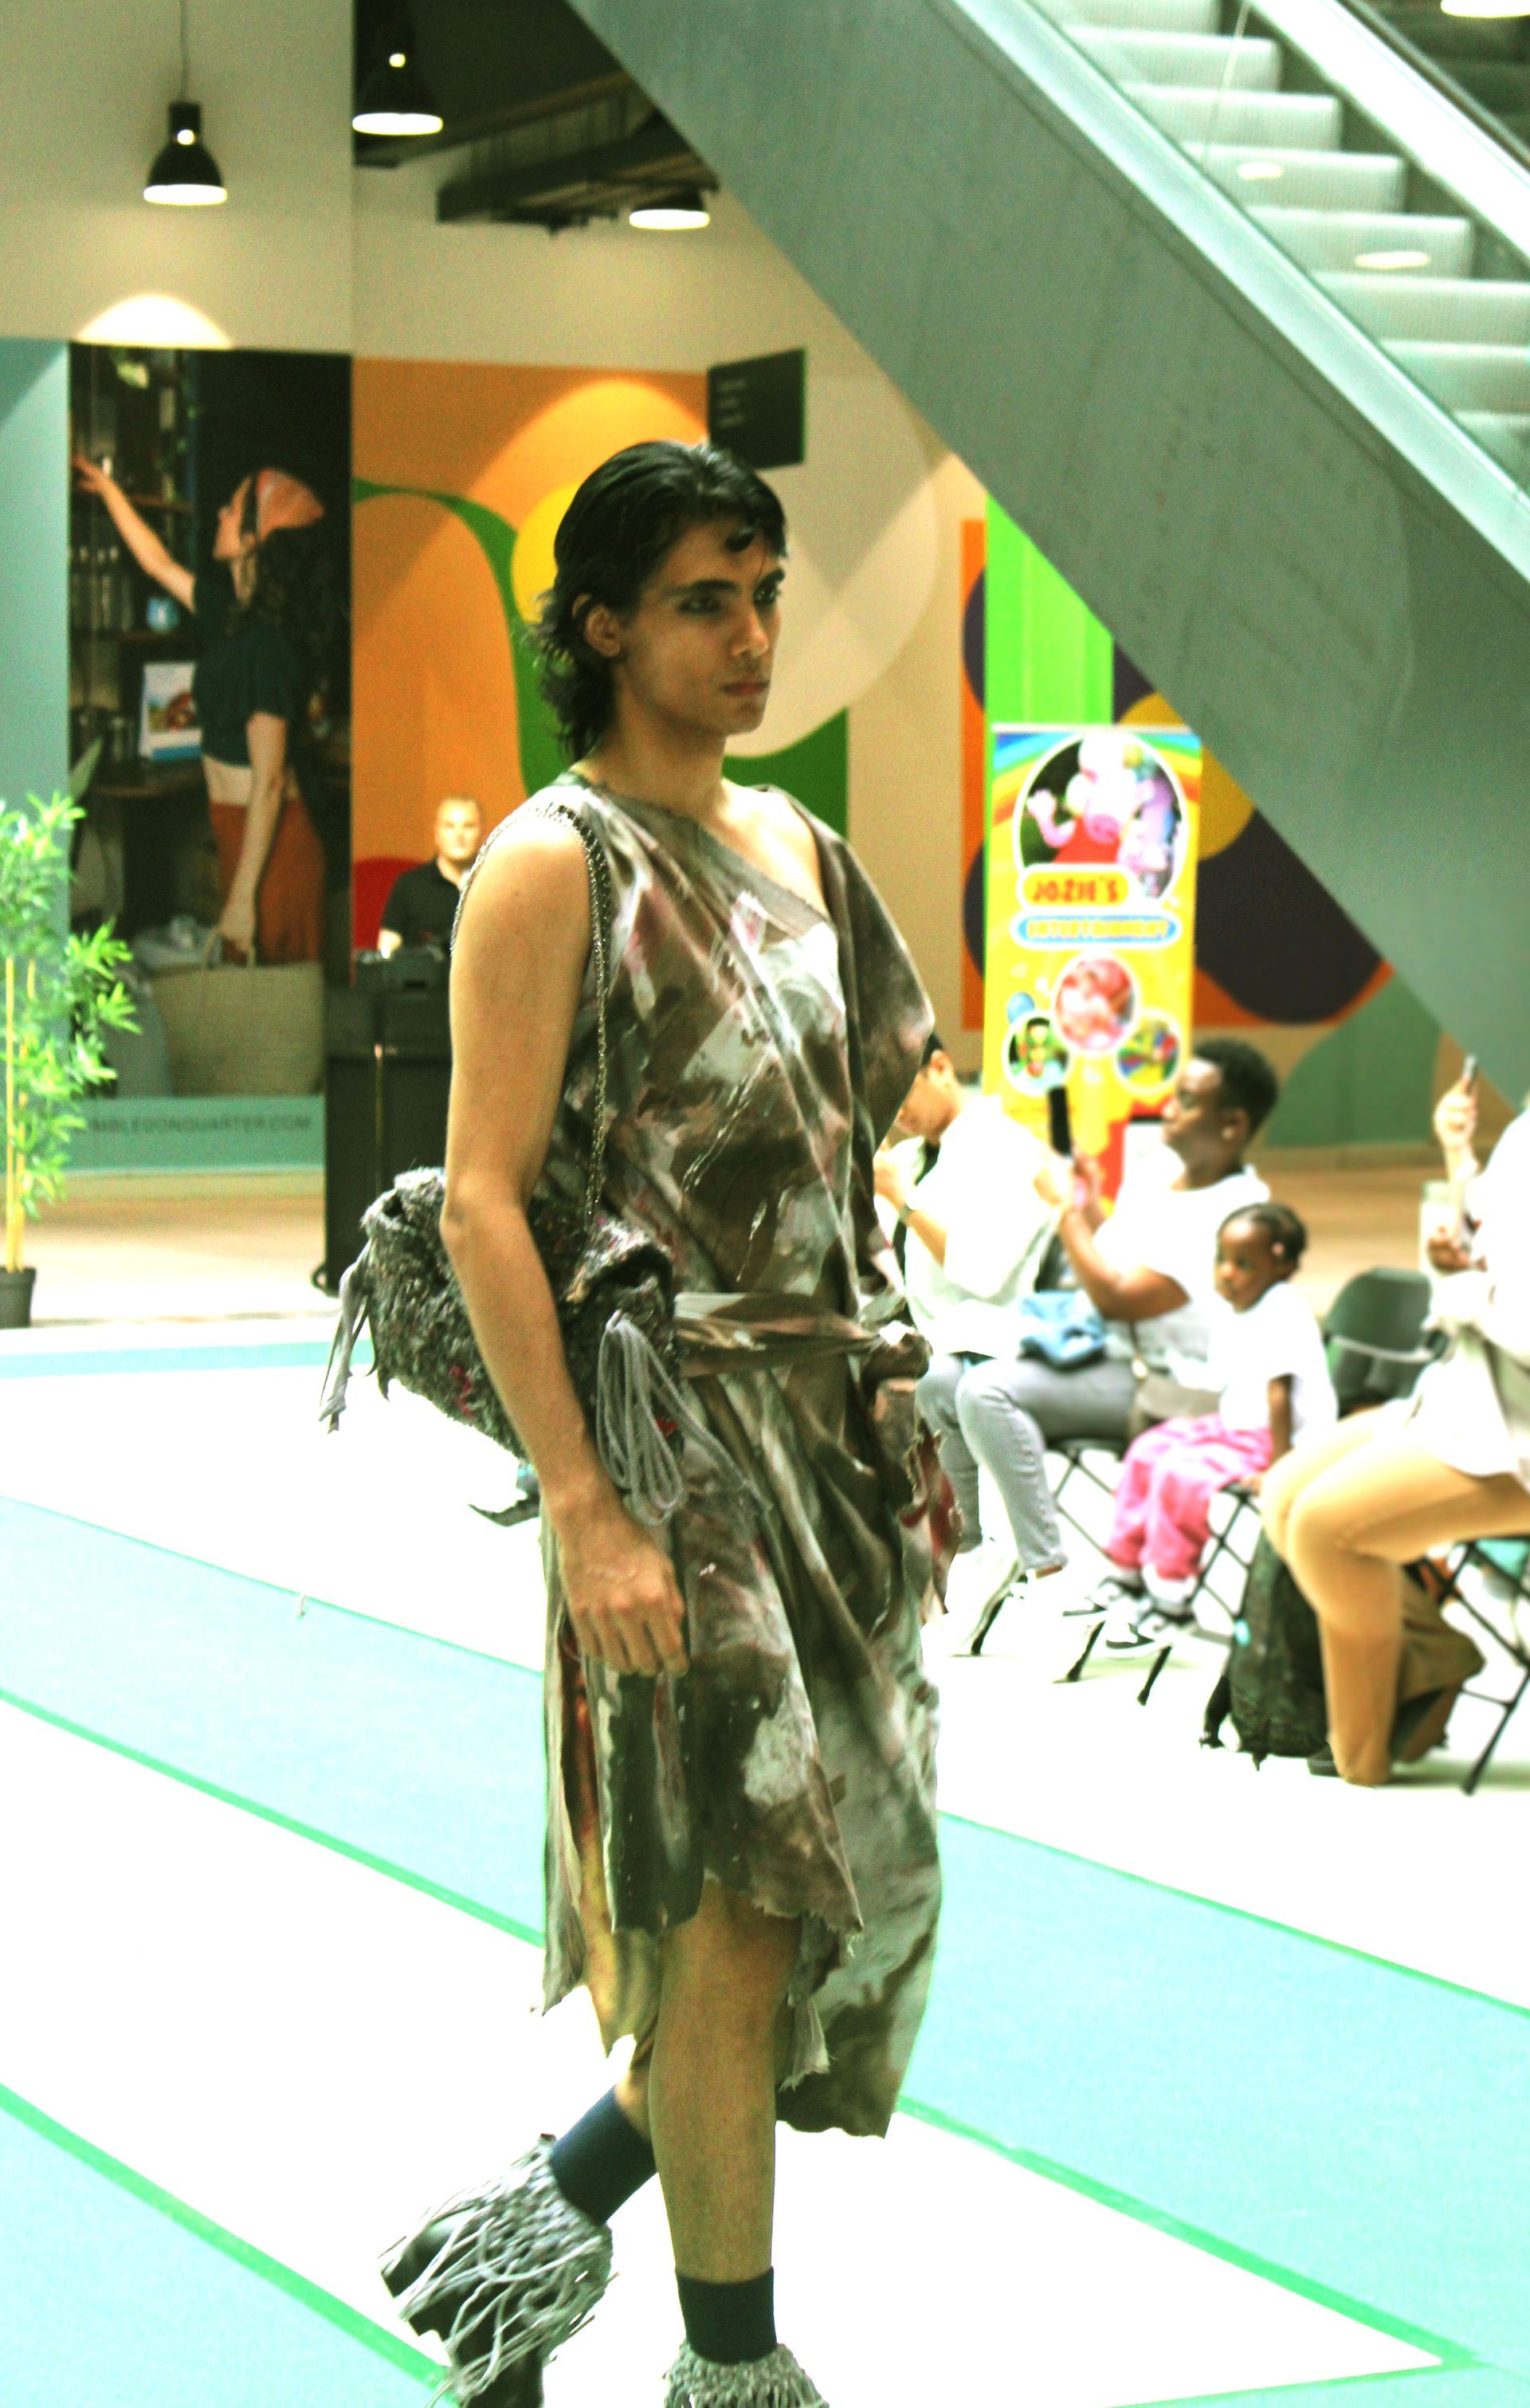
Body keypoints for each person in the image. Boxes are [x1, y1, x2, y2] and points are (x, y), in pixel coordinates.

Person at [379, 442, 948, 2408]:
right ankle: (734, 2367)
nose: (753, 636)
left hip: (835, 1447)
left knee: (827, 1902)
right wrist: (585, 1505)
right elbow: (479, 1201)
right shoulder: (556, 861)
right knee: (737, 1905)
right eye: (708, 599)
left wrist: (932, 1370)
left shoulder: (802, 843)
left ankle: (527, 2241)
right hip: (671, 1449)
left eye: (766, 593)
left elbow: (880, 1112)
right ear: (605, 625)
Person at [1263, 1073, 1530, 1785]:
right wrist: (1459, 1158)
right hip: (1467, 1396)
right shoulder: (1522, 1130)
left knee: (1324, 1527)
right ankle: (1433, 1655)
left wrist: (1464, 1293)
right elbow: (1493, 1239)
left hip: (1514, 1441)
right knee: (1283, 1495)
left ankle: (1362, 1758)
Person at [934, 1039, 1276, 1589]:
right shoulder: (1164, 1167)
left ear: (1232, 1124)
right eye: (1175, 1095)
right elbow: (1110, 1249)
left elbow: (1120, 1296)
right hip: (1098, 1343)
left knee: (986, 1391)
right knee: (940, 1377)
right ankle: (975, 1551)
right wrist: (1088, 1203)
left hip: (1166, 1381)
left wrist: (1062, 1209)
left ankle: (1049, 1575)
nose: (1169, 1109)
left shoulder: (1237, 1214)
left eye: (1188, 1102)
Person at [73, 457, 333, 963]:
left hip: (275, 847)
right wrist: (106, 488)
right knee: (251, 988)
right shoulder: (229, 615)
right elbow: (157, 563)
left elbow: (270, 781)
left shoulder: (267, 644)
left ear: (255, 540)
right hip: (240, 830)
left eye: (232, 509)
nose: (219, 514)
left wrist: (241, 899)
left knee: (272, 998)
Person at [873, 1035, 1055, 1616]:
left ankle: (1023, 1561)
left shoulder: (1007, 1147)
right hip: (933, 1341)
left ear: (941, 1067)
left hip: (1004, 1336)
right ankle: (968, 1551)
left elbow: (983, 1272)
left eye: (901, 1093)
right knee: (921, 1379)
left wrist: (904, 1203)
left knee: (953, 1385)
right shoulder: (908, 1160)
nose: (897, 1113)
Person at [1100, 1203, 1336, 1628]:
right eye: (1222, 1260)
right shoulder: (1235, 1304)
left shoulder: (1283, 1308)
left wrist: (1280, 1468)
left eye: (1243, 1264)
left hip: (1279, 1439)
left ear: (1280, 1267)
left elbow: (1279, 1395)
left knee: (1180, 1473)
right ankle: (1125, 1572)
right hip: (1236, 1424)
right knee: (1147, 1451)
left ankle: (1171, 1595)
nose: (1227, 1273)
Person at [378, 795, 484, 954]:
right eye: (449, 826)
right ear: (436, 834)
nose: (459, 835)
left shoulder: (495, 885)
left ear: (483, 833)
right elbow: (387, 952)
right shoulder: (409, 886)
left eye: (468, 826)